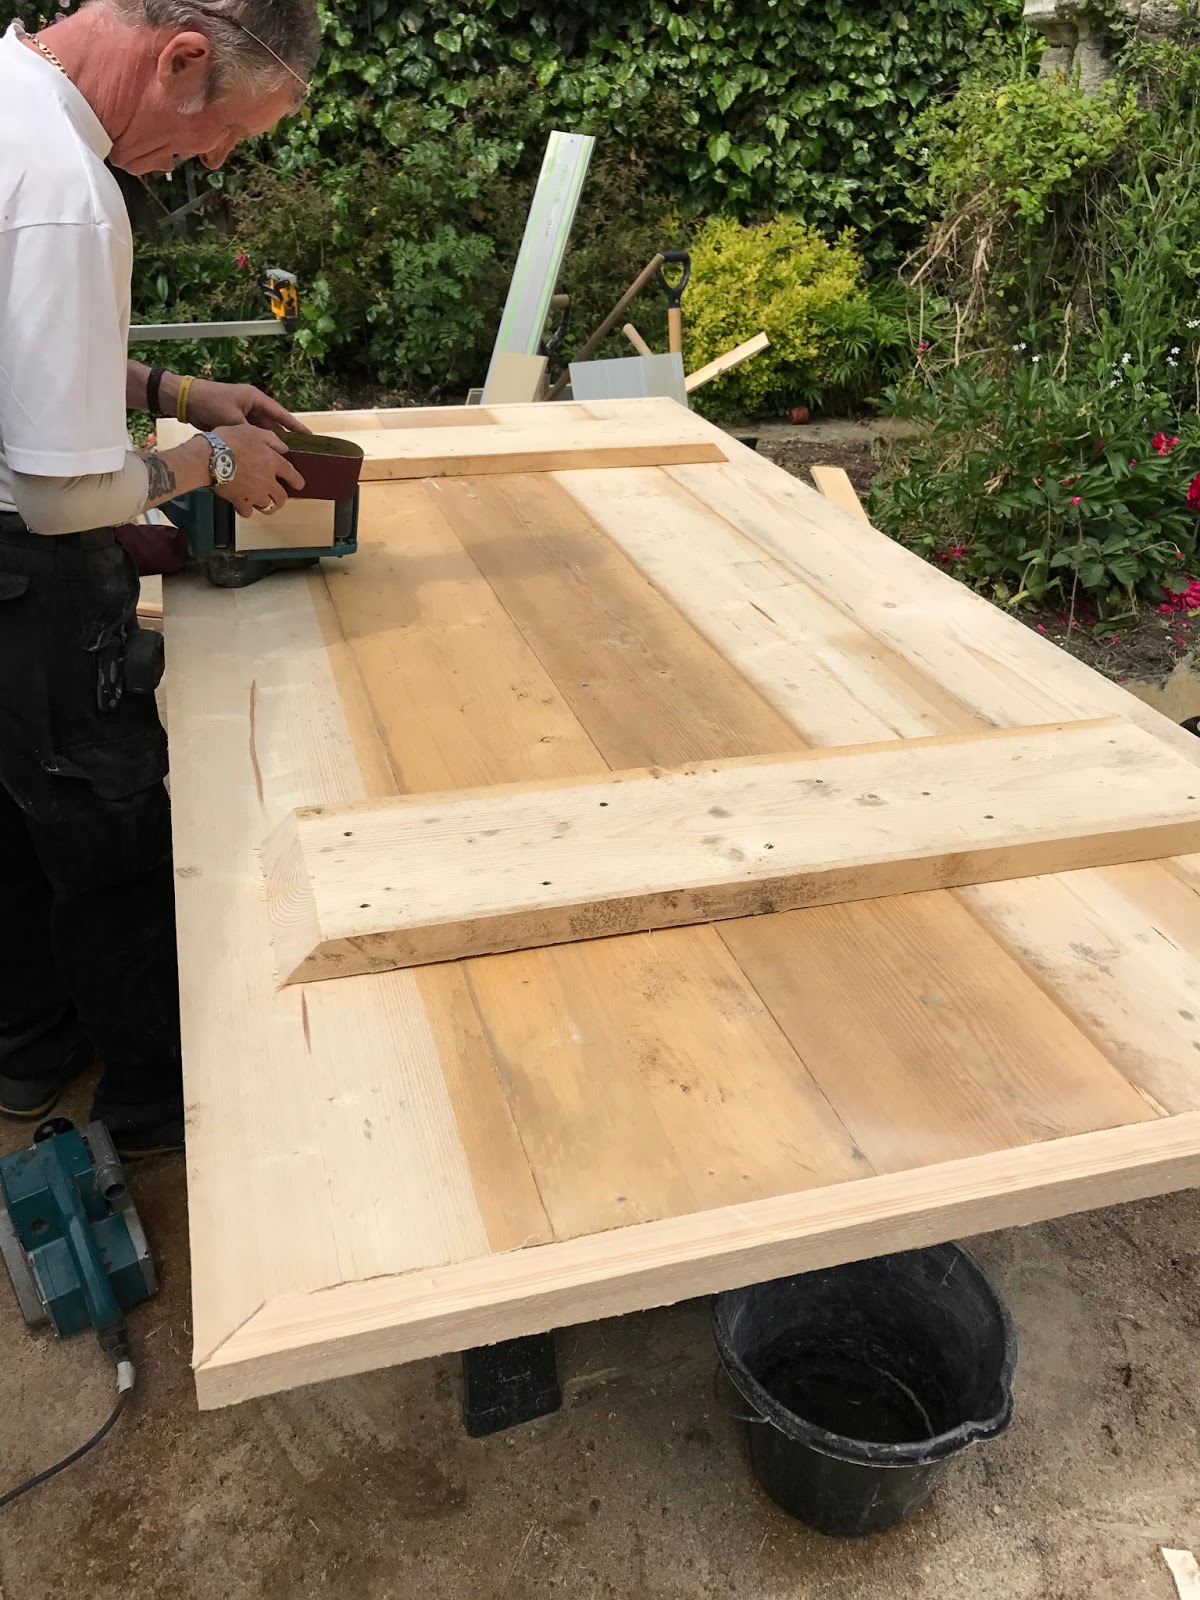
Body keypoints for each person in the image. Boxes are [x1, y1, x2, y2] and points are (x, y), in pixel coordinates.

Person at [0, 0, 320, 1155]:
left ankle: (31, 1055)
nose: (216, 159)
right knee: (113, 838)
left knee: (15, 823)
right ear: (182, 58)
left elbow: (32, 348)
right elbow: (60, 496)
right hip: (24, 576)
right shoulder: (67, 194)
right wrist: (214, 461)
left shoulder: (9, 98)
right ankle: (148, 1103)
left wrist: (180, 398)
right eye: (224, 128)